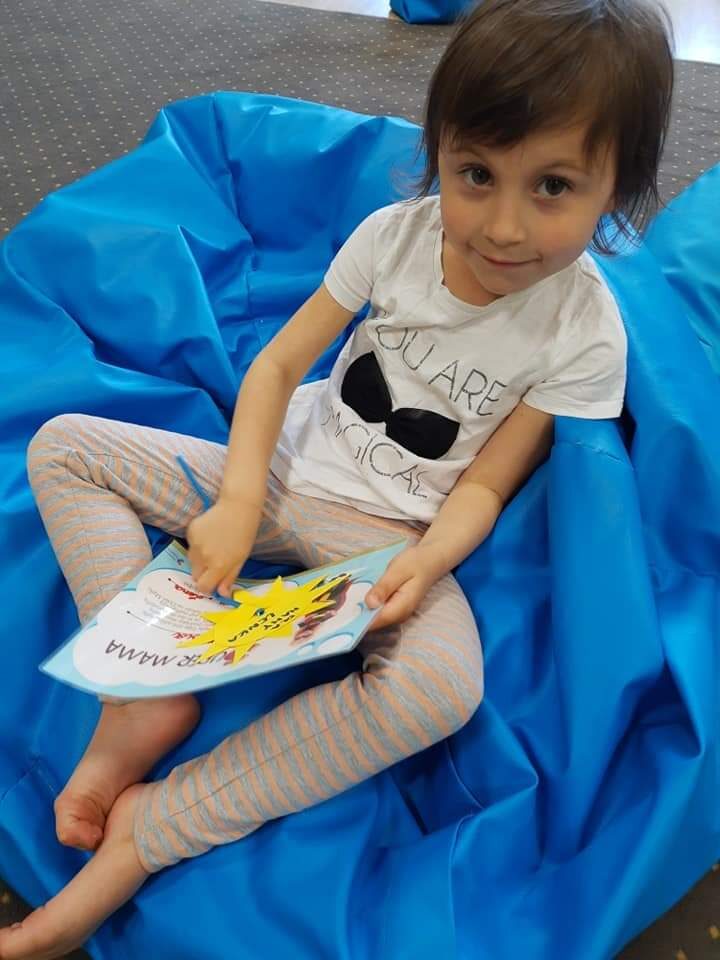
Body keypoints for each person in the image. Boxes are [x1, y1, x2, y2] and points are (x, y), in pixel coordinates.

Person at [1, 0, 673, 955]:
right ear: (440, 152)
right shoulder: (396, 236)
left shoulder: (584, 329)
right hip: (279, 479)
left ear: (616, 191)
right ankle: (138, 691)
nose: (503, 226)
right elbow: (278, 366)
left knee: (441, 687)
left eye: (554, 186)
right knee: (67, 444)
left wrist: (423, 565)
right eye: (476, 174)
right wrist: (240, 499)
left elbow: (486, 484)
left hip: (387, 538)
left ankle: (157, 828)